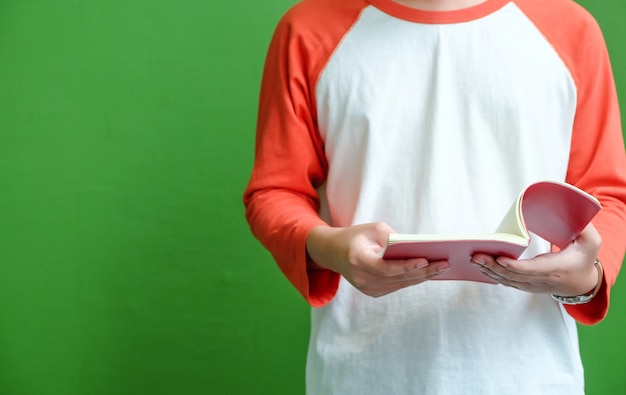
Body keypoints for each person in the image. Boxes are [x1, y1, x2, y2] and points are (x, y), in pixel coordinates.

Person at [243, 0, 626, 393]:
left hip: (532, 373)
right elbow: (276, 190)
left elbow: (607, 193)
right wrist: (330, 247)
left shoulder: (571, 28)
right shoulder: (306, 30)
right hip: (362, 375)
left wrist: (587, 277)